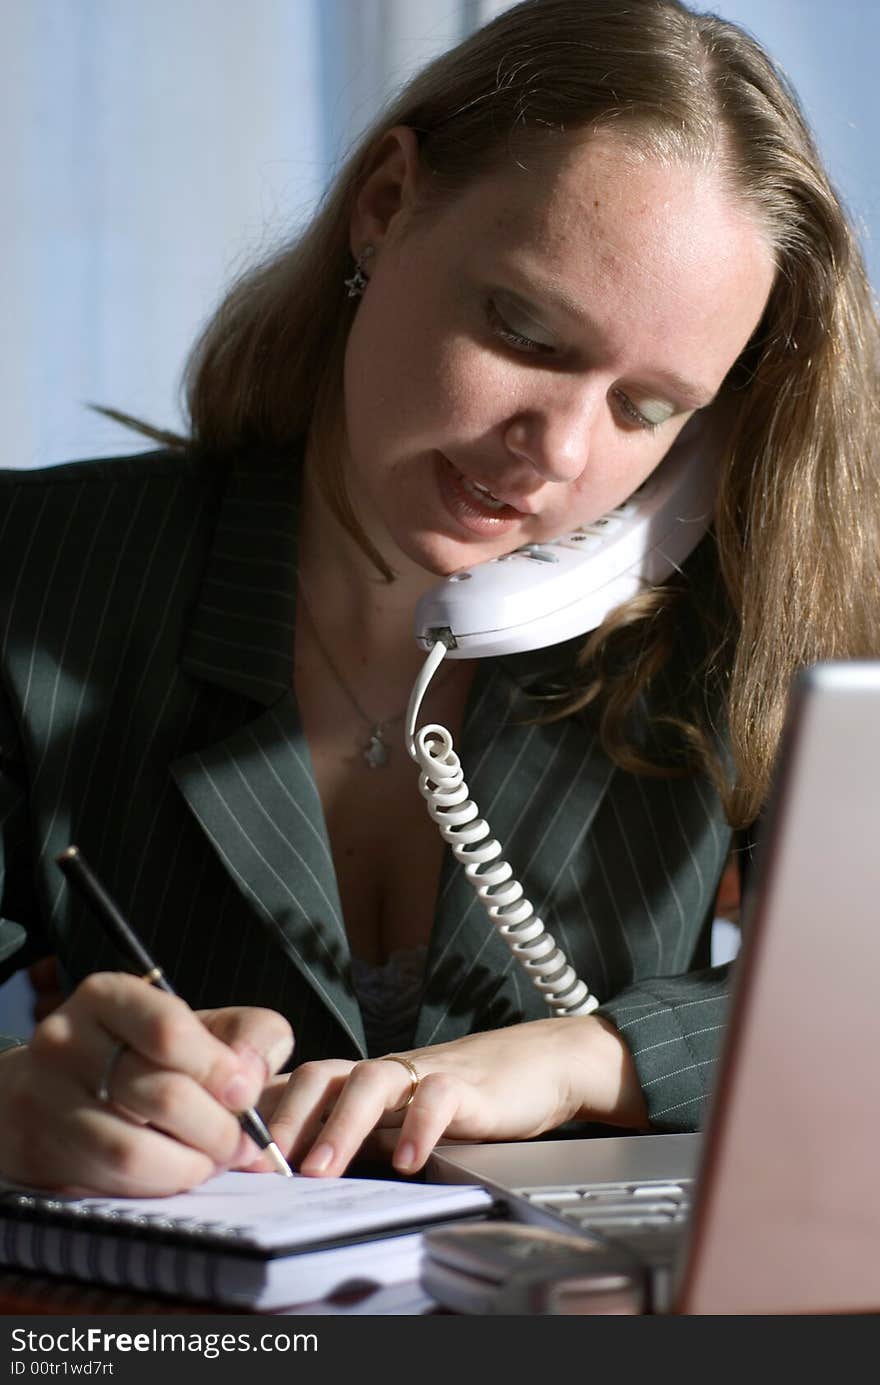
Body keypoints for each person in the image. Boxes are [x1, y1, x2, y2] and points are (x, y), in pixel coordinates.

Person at [0, 0, 877, 1197]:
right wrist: (13, 1099)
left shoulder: (740, 624)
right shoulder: (36, 570)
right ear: (384, 206)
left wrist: (590, 1055)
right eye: (525, 330)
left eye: (647, 407)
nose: (557, 452)